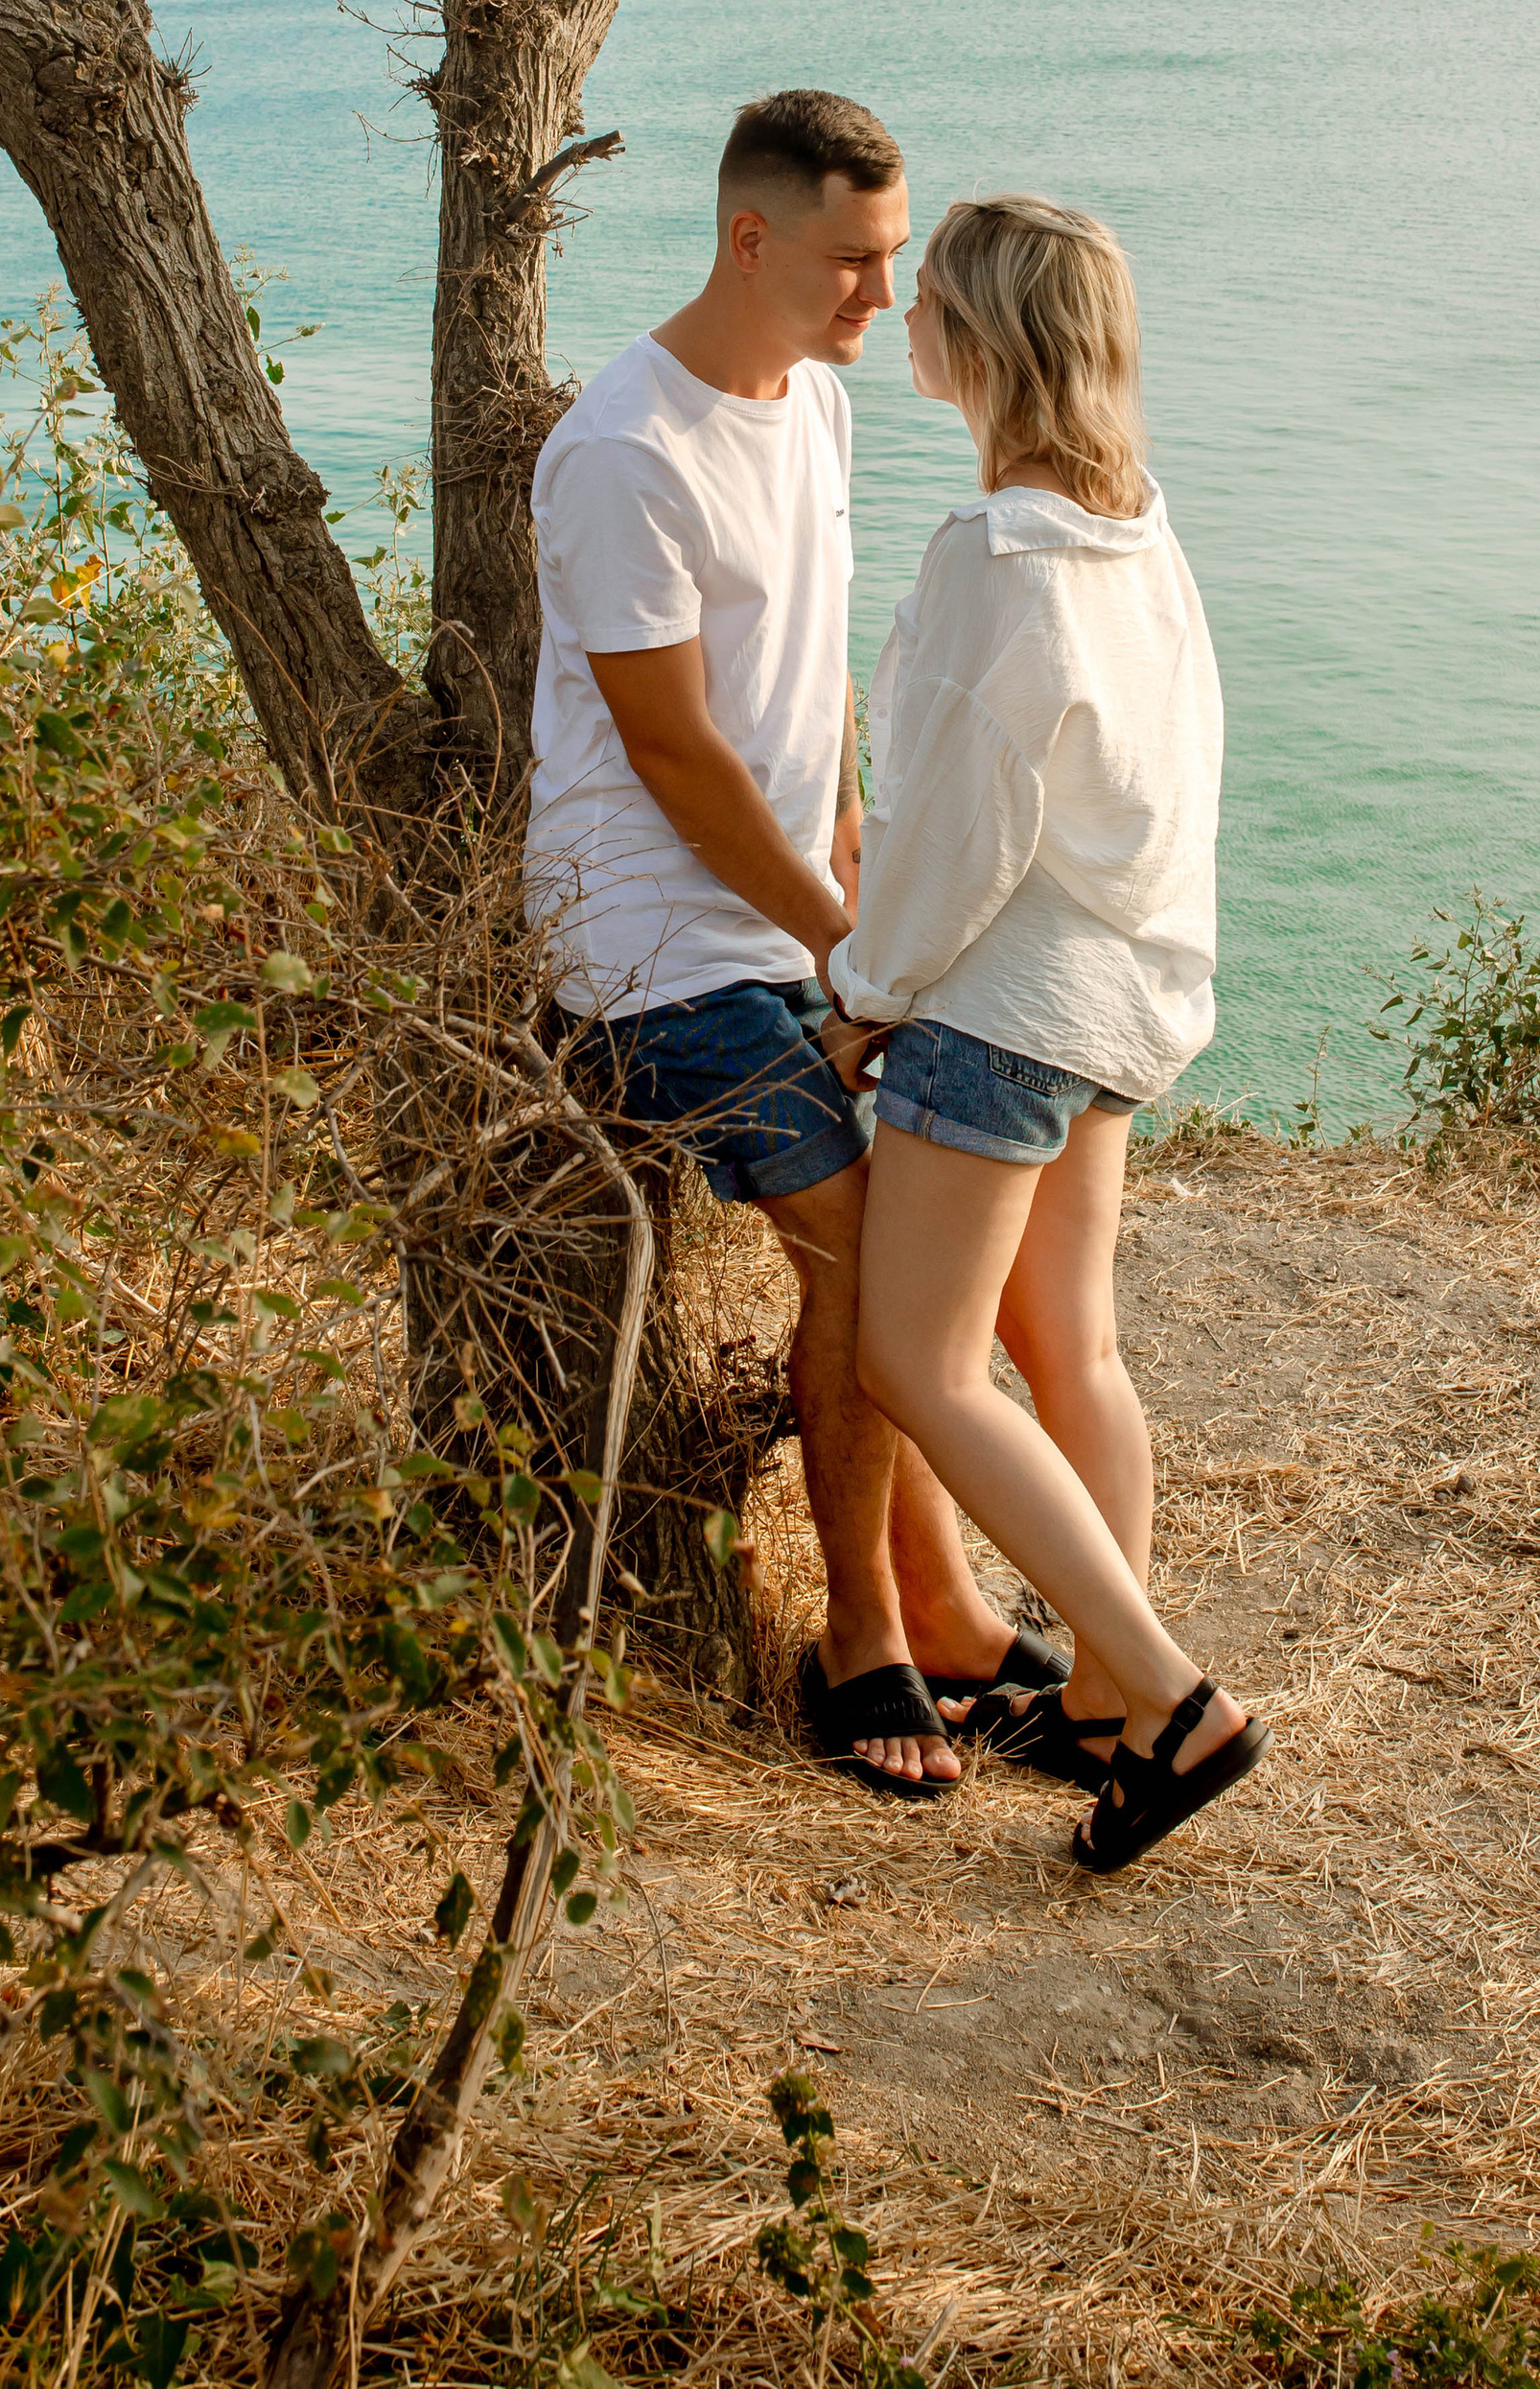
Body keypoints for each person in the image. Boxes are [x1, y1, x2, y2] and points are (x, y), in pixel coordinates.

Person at [525, 90, 1062, 1799]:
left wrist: (857, 893)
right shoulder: (626, 451)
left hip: (788, 926)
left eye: (893, 260)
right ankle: (867, 1640)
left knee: (927, 1235)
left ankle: (953, 1611)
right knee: (859, 1251)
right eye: (850, 260)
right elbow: (674, 752)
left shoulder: (816, 408)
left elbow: (809, 692)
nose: (877, 300)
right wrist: (849, 938)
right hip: (647, 950)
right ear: (747, 236)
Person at [823, 195, 1267, 1874]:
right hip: (1117, 993)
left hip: (1002, 1011)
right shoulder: (1139, 529)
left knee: (918, 1362)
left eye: (925, 295)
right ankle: (1093, 1696)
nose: (902, 314)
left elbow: (952, 830)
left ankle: (1162, 1698)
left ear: (980, 344)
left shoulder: (991, 557)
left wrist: (868, 992)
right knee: (1068, 1348)